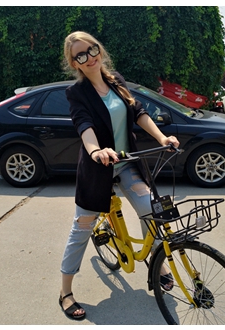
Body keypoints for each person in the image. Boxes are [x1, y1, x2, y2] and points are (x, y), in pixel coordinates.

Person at [59, 31, 179, 320]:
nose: (90, 57)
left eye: (92, 49)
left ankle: (155, 261)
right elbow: (83, 124)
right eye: (81, 55)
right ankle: (65, 292)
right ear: (74, 63)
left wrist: (163, 138)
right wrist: (95, 150)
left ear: (99, 49)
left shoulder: (116, 81)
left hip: (126, 165)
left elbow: (138, 112)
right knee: (81, 230)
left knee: (152, 210)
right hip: (97, 169)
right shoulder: (77, 93)